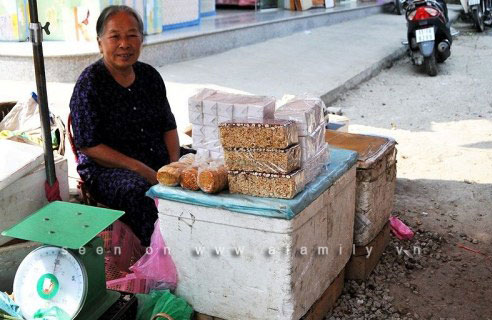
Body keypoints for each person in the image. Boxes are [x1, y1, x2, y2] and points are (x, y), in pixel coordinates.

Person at [69, 5, 180, 246]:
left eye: (132, 35)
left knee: (202, 170)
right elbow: (89, 145)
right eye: (115, 36)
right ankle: (157, 253)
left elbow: (168, 127)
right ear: (100, 42)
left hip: (156, 160)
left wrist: (174, 166)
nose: (124, 44)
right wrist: (142, 170)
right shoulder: (90, 84)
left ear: (142, 39)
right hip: (107, 169)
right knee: (138, 192)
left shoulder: (150, 76)